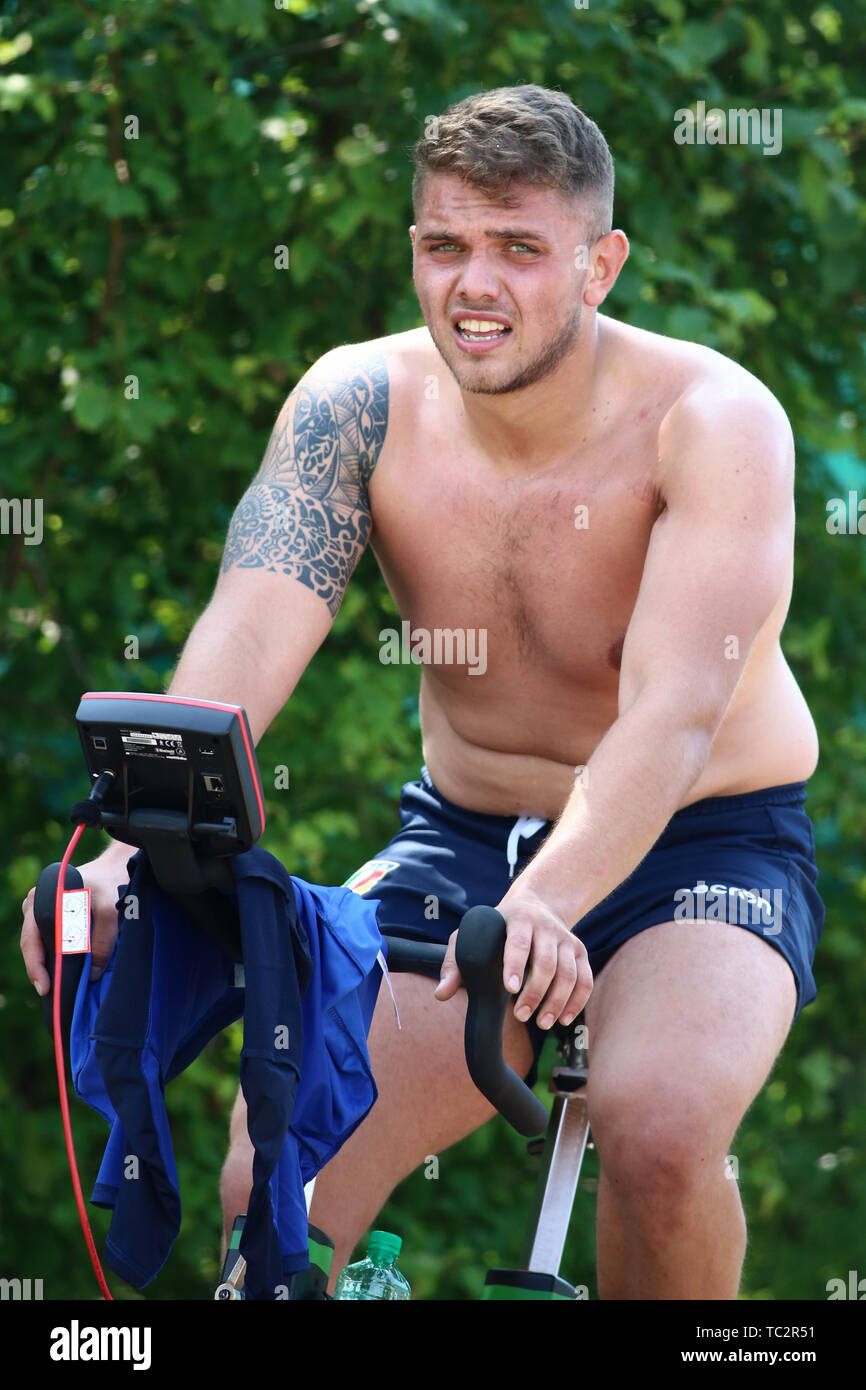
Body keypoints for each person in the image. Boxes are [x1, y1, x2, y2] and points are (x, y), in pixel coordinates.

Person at [21, 84, 824, 1300]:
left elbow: (674, 709)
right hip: (463, 839)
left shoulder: (713, 421)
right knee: (275, 1173)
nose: (474, 286)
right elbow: (247, 633)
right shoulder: (354, 404)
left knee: (654, 1127)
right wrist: (133, 846)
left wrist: (552, 900)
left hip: (700, 838)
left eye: (518, 249)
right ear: (414, 249)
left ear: (600, 263)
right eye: (445, 246)